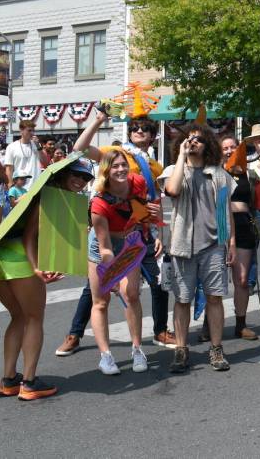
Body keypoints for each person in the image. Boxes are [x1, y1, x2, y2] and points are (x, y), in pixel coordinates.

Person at [56, 104, 175, 356]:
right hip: (107, 229)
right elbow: (80, 148)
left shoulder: (154, 166)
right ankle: (75, 333)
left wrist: (159, 235)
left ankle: (160, 330)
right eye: (135, 128)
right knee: (95, 289)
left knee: (158, 281)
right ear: (129, 133)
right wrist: (99, 120)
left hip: (138, 233)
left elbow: (153, 202)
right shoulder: (116, 155)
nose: (139, 131)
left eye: (145, 129)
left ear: (153, 135)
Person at [0, 159, 96, 400]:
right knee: (34, 319)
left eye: (86, 178)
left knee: (18, 317)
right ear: (63, 174)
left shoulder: (52, 197)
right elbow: (29, 236)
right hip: (19, 260)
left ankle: (8, 380)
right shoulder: (49, 198)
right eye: (76, 174)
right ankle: (29, 382)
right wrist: (36, 268)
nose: (81, 180)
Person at [161, 123, 237, 372]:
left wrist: (230, 242)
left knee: (215, 297)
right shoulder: (174, 170)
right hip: (183, 246)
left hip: (213, 245)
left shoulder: (219, 174)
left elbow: (225, 210)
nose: (193, 142)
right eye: (189, 138)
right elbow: (172, 190)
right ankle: (181, 350)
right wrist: (181, 156)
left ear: (208, 146)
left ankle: (216, 349)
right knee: (182, 299)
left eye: (199, 140)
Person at [87, 151, 151, 376]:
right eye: (115, 166)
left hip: (129, 240)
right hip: (103, 245)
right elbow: (105, 247)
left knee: (131, 294)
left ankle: (137, 349)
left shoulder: (138, 182)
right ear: (106, 171)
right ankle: (105, 356)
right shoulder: (99, 203)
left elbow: (147, 209)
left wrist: (154, 232)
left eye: (124, 164)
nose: (121, 169)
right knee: (101, 301)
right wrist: (111, 274)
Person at [220, 135, 259, 341]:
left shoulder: (249, 174)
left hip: (244, 225)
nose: (229, 151)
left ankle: (241, 324)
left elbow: (259, 200)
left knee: (242, 280)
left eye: (232, 147)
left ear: (239, 149)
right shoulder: (215, 172)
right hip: (219, 226)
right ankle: (209, 324)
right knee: (213, 280)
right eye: (225, 148)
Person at [3, 121, 46, 188]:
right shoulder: (11, 147)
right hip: (20, 186)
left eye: (33, 131)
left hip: (36, 185)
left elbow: (45, 162)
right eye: (29, 130)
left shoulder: (37, 145)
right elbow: (9, 168)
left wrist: (39, 146)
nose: (32, 133)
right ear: (21, 131)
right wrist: (10, 183)